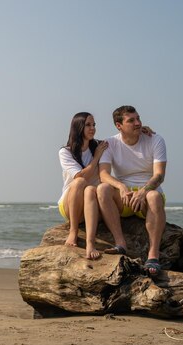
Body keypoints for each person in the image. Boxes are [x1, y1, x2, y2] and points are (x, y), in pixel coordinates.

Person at [97, 105, 167, 276]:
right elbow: (104, 174)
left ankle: (153, 255)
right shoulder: (110, 143)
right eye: (131, 120)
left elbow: (159, 175)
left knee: (154, 196)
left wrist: (143, 191)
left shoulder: (155, 139)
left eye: (138, 119)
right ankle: (120, 244)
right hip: (126, 197)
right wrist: (121, 187)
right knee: (102, 189)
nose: (138, 123)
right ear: (118, 125)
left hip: (148, 194)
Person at [58, 112, 108, 259]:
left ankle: (90, 243)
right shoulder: (65, 152)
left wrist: (142, 130)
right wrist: (96, 158)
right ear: (78, 127)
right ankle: (73, 231)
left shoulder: (99, 146)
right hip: (70, 204)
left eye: (94, 125)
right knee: (80, 182)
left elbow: (122, 141)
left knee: (91, 189)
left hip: (92, 204)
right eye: (88, 125)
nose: (92, 128)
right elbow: (81, 176)